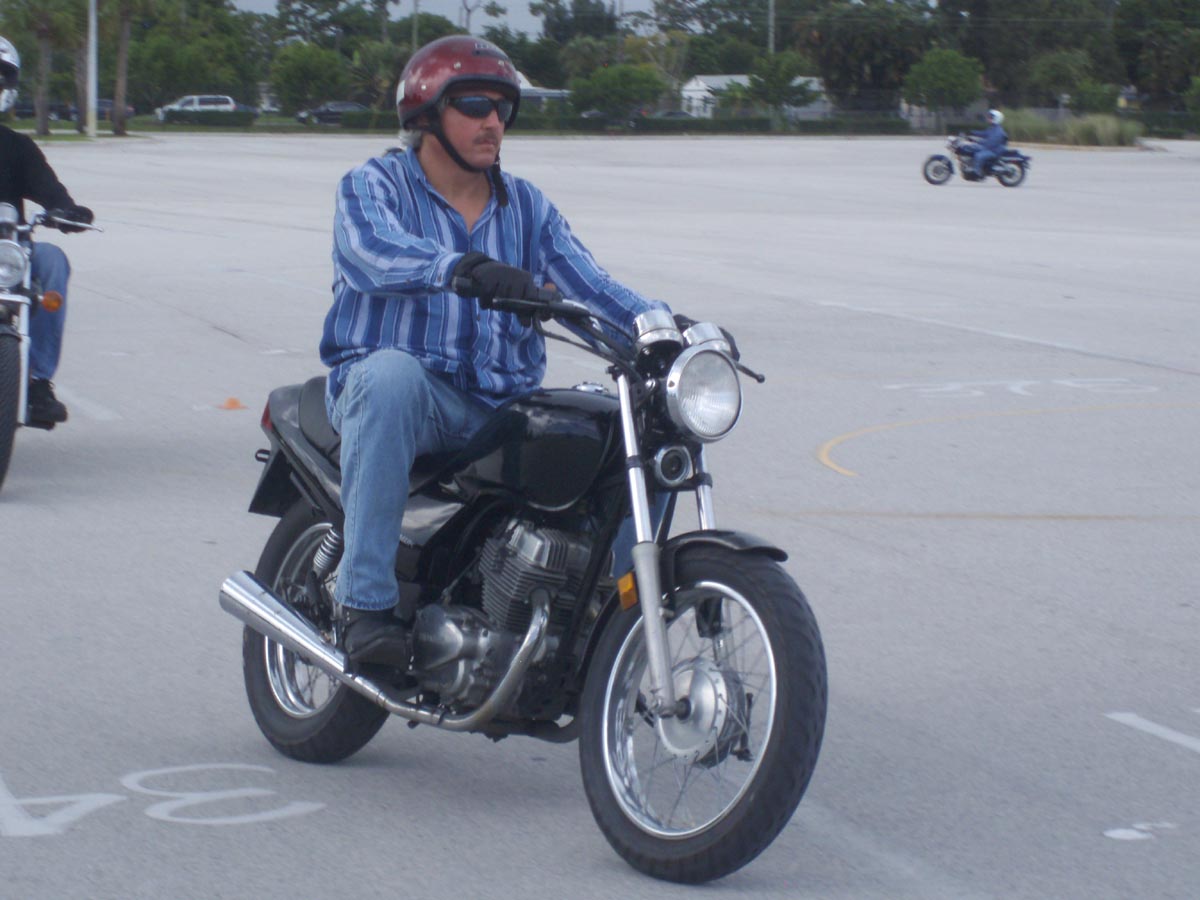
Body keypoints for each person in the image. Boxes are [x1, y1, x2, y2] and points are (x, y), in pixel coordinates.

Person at [319, 36, 671, 665]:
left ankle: (605, 623)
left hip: (499, 406)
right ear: (426, 113)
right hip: (405, 397)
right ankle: (364, 606)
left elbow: (592, 288)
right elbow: (370, 252)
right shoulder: (373, 185)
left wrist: (663, 330)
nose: (492, 123)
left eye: (502, 109)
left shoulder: (527, 207)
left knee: (634, 426)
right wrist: (463, 268)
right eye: (474, 105)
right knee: (392, 377)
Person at [0, 35, 94, 428]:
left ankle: (38, 382)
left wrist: (66, 212)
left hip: (9, 253)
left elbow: (50, 191)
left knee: (53, 259)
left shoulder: (17, 147)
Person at [967, 109, 1008, 179]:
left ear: (996, 119)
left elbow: (990, 143)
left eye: (991, 117)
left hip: (994, 151)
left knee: (978, 155)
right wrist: (971, 132)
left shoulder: (998, 131)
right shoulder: (992, 128)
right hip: (990, 149)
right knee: (972, 148)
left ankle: (977, 173)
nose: (988, 118)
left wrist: (977, 141)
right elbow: (984, 133)